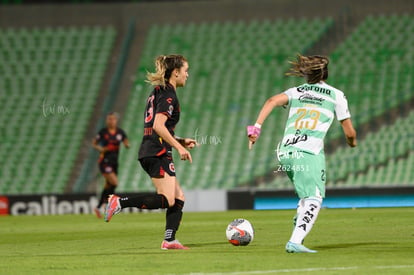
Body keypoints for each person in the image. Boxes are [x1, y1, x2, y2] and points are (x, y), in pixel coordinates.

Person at [247, 54, 357, 253]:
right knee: (315, 198)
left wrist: (256, 128)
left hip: (286, 151)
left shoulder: (296, 91)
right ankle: (295, 242)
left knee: (306, 197)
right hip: (308, 152)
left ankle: (300, 221)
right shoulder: (335, 95)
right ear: (326, 73)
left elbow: (272, 101)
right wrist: (352, 143)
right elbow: (349, 132)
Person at [104, 54, 197, 250]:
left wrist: (180, 140)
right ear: (176, 72)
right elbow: (158, 126)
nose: (187, 75)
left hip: (154, 148)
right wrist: (179, 147)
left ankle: (169, 240)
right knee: (167, 199)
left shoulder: (158, 91)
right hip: (157, 151)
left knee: (178, 197)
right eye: (185, 71)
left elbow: (158, 127)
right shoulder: (169, 95)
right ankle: (120, 202)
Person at [92, 112, 130, 218]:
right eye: (109, 119)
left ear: (116, 120)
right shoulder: (103, 132)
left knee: (108, 185)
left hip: (114, 162)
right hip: (104, 161)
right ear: (106, 120)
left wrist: (127, 144)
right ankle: (109, 204)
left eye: (113, 119)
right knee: (114, 182)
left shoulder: (120, 132)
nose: (111, 121)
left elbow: (126, 141)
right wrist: (101, 149)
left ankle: (99, 207)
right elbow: (94, 143)